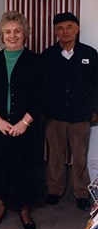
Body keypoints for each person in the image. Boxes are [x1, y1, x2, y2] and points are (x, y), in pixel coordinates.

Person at [0, 11, 44, 229]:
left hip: (27, 128)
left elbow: (42, 96)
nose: (12, 35)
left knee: (25, 169)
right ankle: (1, 206)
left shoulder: (36, 61)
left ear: (25, 33)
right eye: (8, 32)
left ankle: (24, 211)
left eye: (17, 31)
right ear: (1, 35)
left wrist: (25, 122)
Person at [42, 12, 98, 211]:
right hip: (54, 116)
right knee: (55, 155)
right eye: (60, 28)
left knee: (80, 156)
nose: (64, 32)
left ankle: (81, 192)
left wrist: (95, 110)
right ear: (55, 31)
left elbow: (96, 85)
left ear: (77, 28)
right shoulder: (47, 56)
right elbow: (42, 87)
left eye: (69, 27)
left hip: (80, 116)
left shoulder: (90, 54)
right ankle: (55, 189)